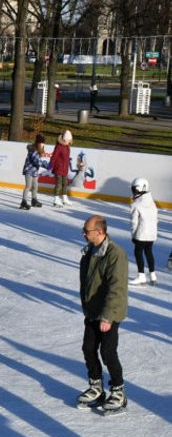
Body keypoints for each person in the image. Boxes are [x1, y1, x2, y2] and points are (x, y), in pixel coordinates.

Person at [76, 215, 128, 412]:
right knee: (88, 348)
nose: (83, 233)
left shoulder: (115, 254)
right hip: (93, 309)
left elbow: (117, 288)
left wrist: (107, 316)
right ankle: (96, 387)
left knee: (107, 351)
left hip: (110, 311)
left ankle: (118, 391)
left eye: (87, 231)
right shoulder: (90, 251)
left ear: (99, 232)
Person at [129, 178, 158, 286]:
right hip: (151, 233)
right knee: (149, 252)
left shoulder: (136, 205)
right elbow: (155, 219)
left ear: (138, 190)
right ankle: (153, 275)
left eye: (134, 189)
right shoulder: (152, 203)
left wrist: (133, 235)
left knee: (138, 253)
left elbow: (134, 222)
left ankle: (141, 276)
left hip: (141, 234)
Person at [20, 135, 47, 210]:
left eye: (43, 143)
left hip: (35, 171)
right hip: (29, 171)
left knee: (35, 186)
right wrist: (44, 164)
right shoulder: (33, 150)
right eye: (41, 143)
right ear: (38, 143)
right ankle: (24, 202)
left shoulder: (38, 151)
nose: (43, 145)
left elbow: (38, 161)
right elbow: (36, 161)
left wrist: (44, 163)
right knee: (28, 186)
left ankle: (34, 200)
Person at [49, 130, 73, 207]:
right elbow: (54, 156)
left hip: (65, 169)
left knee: (65, 184)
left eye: (70, 140)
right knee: (58, 184)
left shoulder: (67, 147)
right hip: (58, 168)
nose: (69, 141)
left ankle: (64, 199)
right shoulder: (59, 146)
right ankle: (56, 199)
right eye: (68, 140)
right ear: (65, 139)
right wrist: (50, 165)